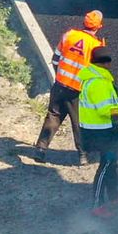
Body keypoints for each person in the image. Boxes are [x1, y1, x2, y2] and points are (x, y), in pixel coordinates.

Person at [34, 11, 104, 163]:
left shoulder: (69, 35)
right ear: (99, 26)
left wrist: (60, 77)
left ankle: (40, 149)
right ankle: (83, 155)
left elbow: (55, 59)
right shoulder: (95, 46)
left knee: (53, 115)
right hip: (77, 92)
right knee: (79, 122)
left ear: (83, 23)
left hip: (60, 85)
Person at [75, 51, 118, 217]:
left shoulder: (93, 78)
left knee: (111, 163)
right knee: (106, 166)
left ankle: (114, 197)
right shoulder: (98, 83)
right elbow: (105, 109)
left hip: (98, 130)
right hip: (100, 133)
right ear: (105, 63)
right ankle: (97, 205)